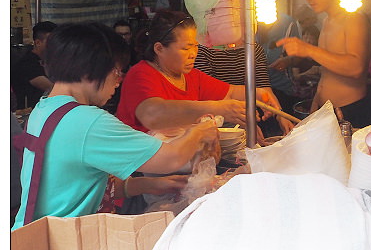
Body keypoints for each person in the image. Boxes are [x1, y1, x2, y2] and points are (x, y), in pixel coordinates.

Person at [12, 23, 218, 230]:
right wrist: (200, 131)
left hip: (32, 233)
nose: (118, 82)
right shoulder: (87, 121)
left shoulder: (44, 109)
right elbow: (171, 159)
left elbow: (71, 185)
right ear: (90, 68)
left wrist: (148, 185)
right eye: (117, 72)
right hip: (61, 242)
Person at [115, 10, 284, 137]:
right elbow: (153, 114)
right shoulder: (140, 74)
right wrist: (220, 108)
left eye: (195, 46)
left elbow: (231, 92)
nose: (193, 54)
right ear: (159, 48)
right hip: (142, 168)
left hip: (180, 163)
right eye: (186, 48)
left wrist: (259, 94)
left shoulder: (191, 76)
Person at [272, 0, 371, 128]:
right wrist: (293, 61)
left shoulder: (354, 19)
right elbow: (328, 67)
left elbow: (356, 67)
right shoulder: (327, 21)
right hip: (326, 111)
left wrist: (308, 49)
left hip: (350, 113)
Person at [195, 43, 294, 137]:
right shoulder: (202, 51)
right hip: (216, 123)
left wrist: (280, 115)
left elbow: (263, 87)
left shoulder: (254, 48)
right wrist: (242, 120)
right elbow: (209, 93)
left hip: (249, 118)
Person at [11, 21, 57, 110]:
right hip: (28, 113)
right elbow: (51, 87)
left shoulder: (50, 60)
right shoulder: (27, 63)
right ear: (38, 42)